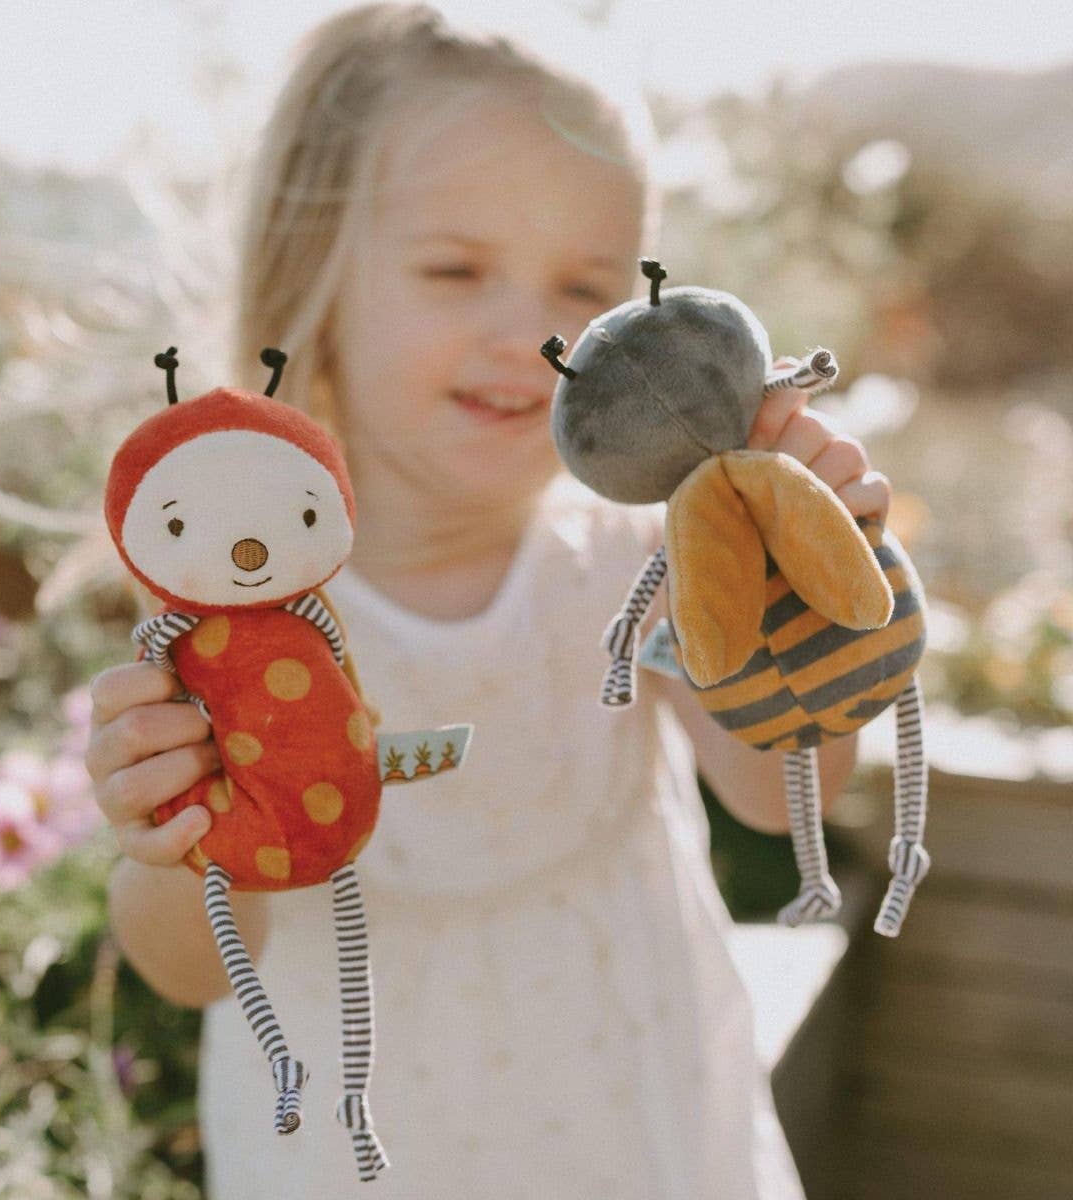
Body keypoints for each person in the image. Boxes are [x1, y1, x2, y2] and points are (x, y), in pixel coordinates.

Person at [86, 5, 890, 1197]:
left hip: (639, 1118)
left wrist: (795, 602)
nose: (533, 334)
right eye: (456, 270)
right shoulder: (223, 613)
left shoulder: (642, 556)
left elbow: (784, 800)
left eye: (587, 283)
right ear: (317, 278)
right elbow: (195, 971)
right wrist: (166, 848)